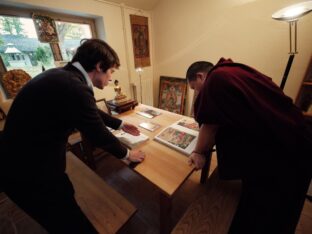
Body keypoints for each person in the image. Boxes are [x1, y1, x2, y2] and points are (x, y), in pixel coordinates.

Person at [0, 39, 145, 234]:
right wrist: (127, 154)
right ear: (99, 66)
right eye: (111, 71)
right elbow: (97, 134)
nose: (111, 78)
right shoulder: (73, 86)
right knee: (70, 223)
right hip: (29, 172)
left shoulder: (63, 77)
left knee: (65, 198)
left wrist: (119, 123)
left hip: (20, 161)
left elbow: (88, 110)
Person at [186, 58, 312, 234]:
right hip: (295, 137)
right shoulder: (232, 71)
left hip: (287, 152)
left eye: (194, 88)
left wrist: (198, 152)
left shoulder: (216, 79)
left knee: (269, 213)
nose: (196, 93)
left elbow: (210, 124)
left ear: (200, 76)